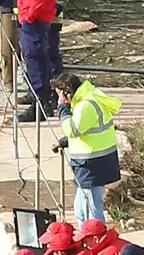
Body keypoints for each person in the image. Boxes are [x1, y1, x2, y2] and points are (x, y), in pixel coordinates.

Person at [51, 72, 123, 223]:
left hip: (92, 164)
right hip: (92, 162)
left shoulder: (85, 106)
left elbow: (73, 129)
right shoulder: (89, 97)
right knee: (80, 210)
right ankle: (86, 237)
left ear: (67, 94)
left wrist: (63, 109)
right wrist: (65, 142)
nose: (58, 99)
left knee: (91, 210)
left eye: (59, 95)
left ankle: (97, 239)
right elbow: (88, 130)